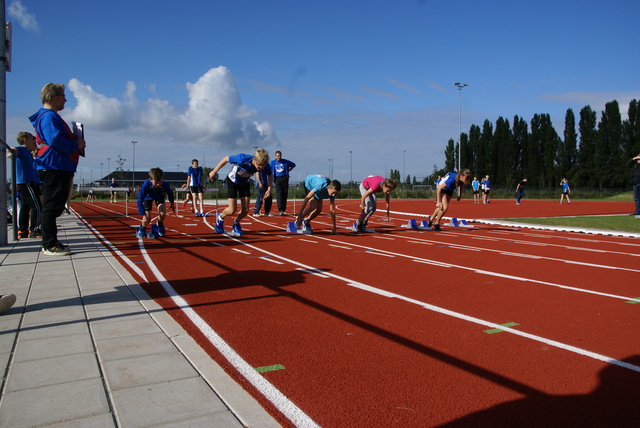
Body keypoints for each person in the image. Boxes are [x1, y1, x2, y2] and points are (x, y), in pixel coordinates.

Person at [30, 83, 86, 256]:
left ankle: (52, 241)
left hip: (57, 166)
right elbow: (55, 140)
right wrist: (75, 144)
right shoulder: (49, 117)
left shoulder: (50, 116)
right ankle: (48, 244)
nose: (65, 99)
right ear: (53, 97)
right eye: (63, 95)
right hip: (54, 166)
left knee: (55, 206)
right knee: (52, 206)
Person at [208, 149, 270, 236]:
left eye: (262, 166)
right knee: (232, 210)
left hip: (244, 183)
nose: (260, 167)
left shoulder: (264, 164)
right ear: (254, 159)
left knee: (245, 210)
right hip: (233, 181)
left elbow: (270, 174)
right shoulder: (242, 158)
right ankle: (220, 218)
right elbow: (226, 159)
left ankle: (236, 223)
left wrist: (269, 189)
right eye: (259, 165)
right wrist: (214, 171)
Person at [7, 132, 42, 239]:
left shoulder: (28, 153)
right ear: (24, 139)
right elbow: (12, 150)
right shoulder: (23, 149)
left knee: (25, 207)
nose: (34, 141)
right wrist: (12, 150)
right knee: (36, 206)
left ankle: (23, 230)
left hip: (27, 182)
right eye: (32, 139)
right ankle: (34, 229)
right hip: (26, 182)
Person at [136, 168, 175, 238]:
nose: (158, 184)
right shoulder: (146, 185)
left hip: (159, 197)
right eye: (156, 182)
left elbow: (170, 193)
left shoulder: (164, 184)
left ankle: (159, 223)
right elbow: (140, 199)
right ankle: (142, 228)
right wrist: (143, 214)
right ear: (151, 179)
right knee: (147, 219)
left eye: (160, 182)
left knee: (163, 214)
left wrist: (172, 203)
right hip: (147, 197)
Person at [270, 151, 296, 215]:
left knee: (285, 193)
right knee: (279, 193)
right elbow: (269, 169)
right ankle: (280, 209)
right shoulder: (273, 162)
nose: (279, 157)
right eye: (277, 155)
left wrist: (288, 170)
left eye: (280, 155)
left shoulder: (285, 161)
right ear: (275, 156)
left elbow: (293, 165)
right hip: (277, 179)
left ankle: (283, 209)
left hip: (284, 178)